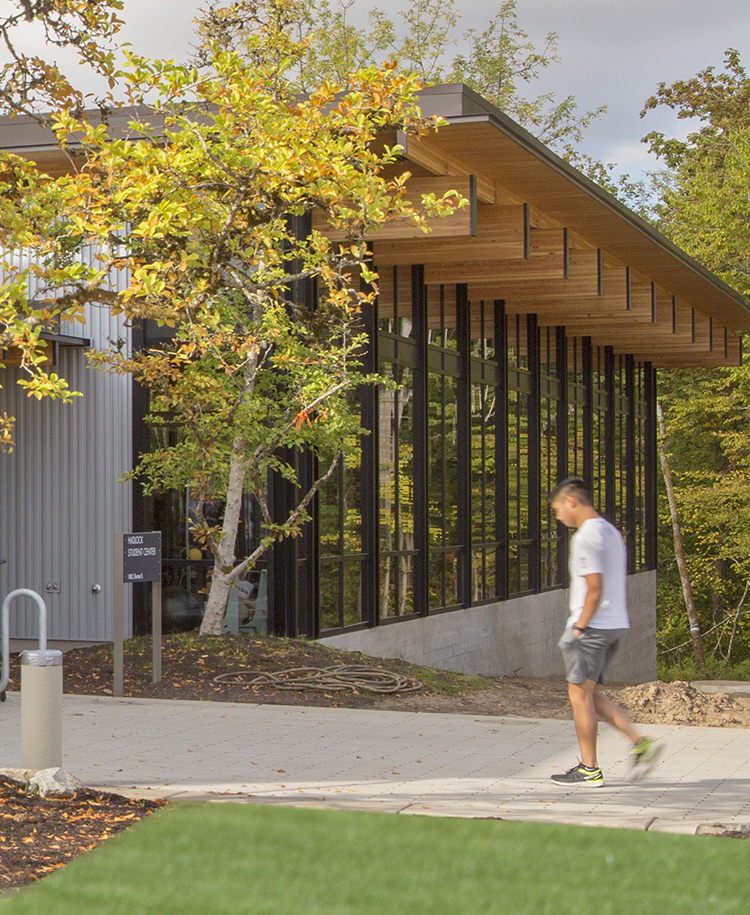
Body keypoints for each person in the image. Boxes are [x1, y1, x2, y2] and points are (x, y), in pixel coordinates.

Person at [548, 478, 663, 787]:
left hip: (592, 626)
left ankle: (589, 768)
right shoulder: (611, 532)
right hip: (614, 623)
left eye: (558, 509)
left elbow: (594, 589)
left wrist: (579, 627)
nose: (558, 516)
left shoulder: (585, 537)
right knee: (590, 693)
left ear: (571, 501)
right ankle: (640, 742)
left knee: (579, 695)